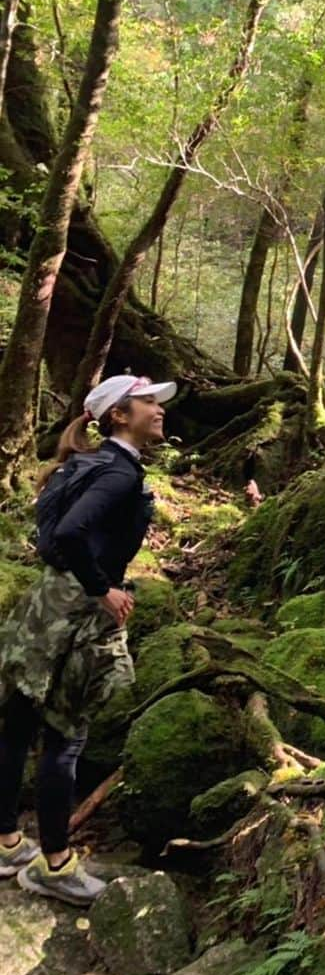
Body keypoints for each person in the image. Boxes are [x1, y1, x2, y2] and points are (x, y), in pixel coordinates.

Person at [0, 374, 175, 906]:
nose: (159, 409)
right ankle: (55, 865)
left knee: (19, 723)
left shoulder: (86, 463)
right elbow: (73, 532)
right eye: (149, 402)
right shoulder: (117, 474)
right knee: (66, 736)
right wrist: (105, 591)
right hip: (78, 612)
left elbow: (51, 533)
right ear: (119, 415)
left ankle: (8, 842)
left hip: (47, 602)